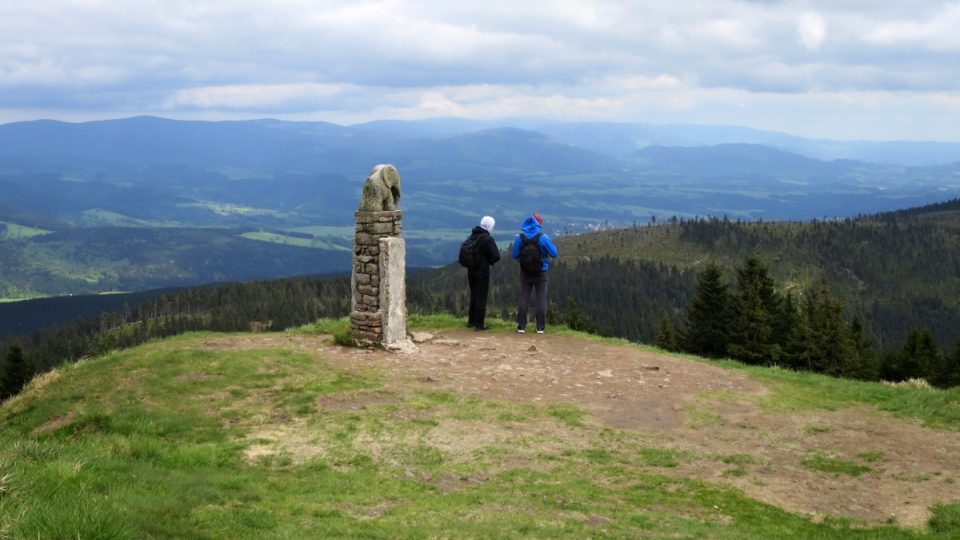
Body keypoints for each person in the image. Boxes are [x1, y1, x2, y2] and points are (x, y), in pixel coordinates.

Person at [511, 213, 558, 334]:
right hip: (541, 272)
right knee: (541, 300)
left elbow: (514, 255)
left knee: (524, 298)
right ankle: (540, 328)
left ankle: (521, 327)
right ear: (539, 224)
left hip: (525, 272)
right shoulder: (543, 237)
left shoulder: (520, 238)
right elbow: (554, 253)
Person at [465, 215, 501, 331]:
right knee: (481, 297)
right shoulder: (487, 239)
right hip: (482, 271)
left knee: (474, 295)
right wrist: (489, 261)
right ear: (490, 226)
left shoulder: (473, 235)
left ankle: (471, 321)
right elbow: (496, 256)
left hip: (471, 270)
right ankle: (479, 324)